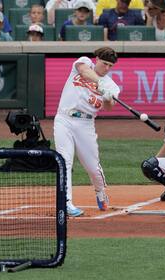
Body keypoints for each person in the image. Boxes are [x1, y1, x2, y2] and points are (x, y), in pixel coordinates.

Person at [53, 47, 120, 217]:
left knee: (92, 167)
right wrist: (100, 82)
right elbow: (83, 70)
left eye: (110, 66)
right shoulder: (84, 62)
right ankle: (66, 203)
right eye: (104, 63)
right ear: (96, 59)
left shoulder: (111, 85)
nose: (106, 68)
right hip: (64, 119)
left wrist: (108, 96)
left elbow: (108, 108)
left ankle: (100, 192)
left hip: (85, 124)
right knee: (64, 161)